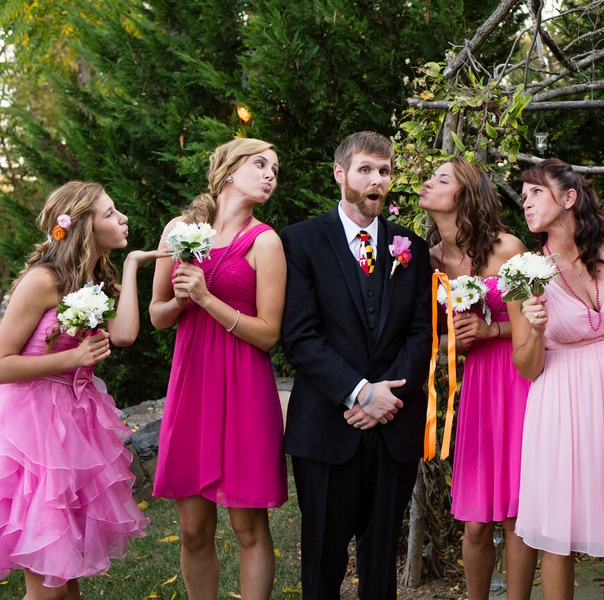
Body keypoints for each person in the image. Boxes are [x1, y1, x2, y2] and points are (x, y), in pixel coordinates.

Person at [0, 181, 163, 599]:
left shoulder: (95, 279)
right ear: (82, 226)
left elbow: (127, 334)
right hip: (33, 432)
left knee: (63, 578)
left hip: (75, 426)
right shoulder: (42, 281)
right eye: (110, 213)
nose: (123, 218)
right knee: (47, 587)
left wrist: (131, 265)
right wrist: (71, 359)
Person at [280, 131, 431, 600]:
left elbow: (420, 334)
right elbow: (300, 338)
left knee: (381, 559)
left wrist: (388, 399)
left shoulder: (412, 247)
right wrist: (362, 392)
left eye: (384, 171)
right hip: (327, 426)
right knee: (322, 558)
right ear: (340, 174)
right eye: (366, 169)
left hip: (394, 426)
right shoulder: (300, 242)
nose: (377, 180)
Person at [150, 138, 287, 600]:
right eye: (260, 164)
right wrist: (181, 298)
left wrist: (208, 299)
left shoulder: (266, 242)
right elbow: (158, 316)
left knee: (247, 526)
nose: (270, 174)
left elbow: (269, 334)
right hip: (192, 385)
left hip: (245, 387)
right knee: (192, 529)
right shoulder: (179, 230)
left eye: (274, 168)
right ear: (229, 170)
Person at [510, 158, 604, 600]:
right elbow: (527, 367)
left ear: (569, 198)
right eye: (523, 194)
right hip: (562, 403)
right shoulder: (524, 273)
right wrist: (533, 326)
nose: (526, 202)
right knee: (559, 529)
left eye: (536, 192)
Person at [418, 156, 537, 600]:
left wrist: (492, 330)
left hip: (515, 381)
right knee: (473, 524)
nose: (428, 182)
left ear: (464, 196)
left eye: (441, 178)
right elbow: (431, 337)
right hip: (476, 392)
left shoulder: (508, 249)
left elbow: (544, 325)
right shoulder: (428, 260)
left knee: (515, 517)